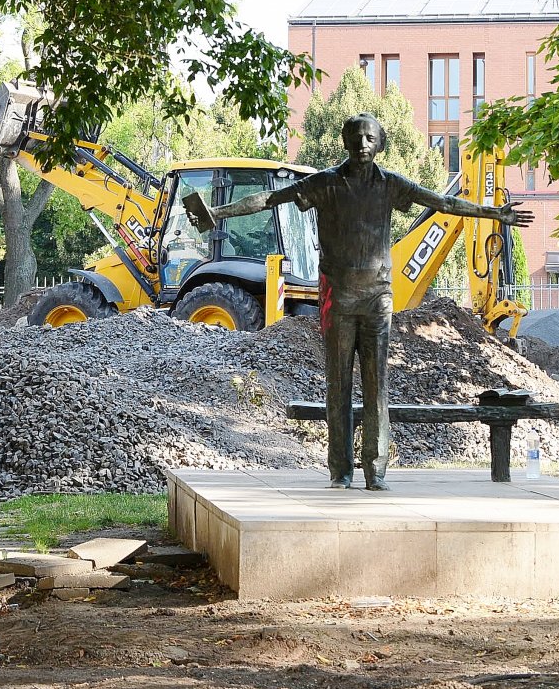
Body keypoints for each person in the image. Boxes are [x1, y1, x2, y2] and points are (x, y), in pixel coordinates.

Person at [186, 114, 533, 489]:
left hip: (376, 300)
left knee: (376, 385)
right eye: (356, 137)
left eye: (370, 137)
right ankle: (341, 471)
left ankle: (375, 470)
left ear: (380, 143)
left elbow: (443, 202)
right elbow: (270, 199)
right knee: (338, 385)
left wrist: (493, 213)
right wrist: (217, 213)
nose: (363, 143)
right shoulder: (325, 184)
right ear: (345, 142)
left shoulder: (391, 186)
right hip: (337, 298)